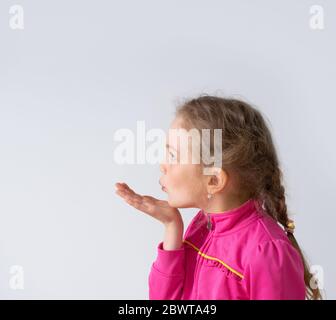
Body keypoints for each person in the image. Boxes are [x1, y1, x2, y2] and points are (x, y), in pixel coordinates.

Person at [115, 95, 321, 300]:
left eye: (173, 156)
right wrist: (172, 227)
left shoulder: (265, 252)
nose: (163, 165)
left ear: (214, 180)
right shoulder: (201, 226)